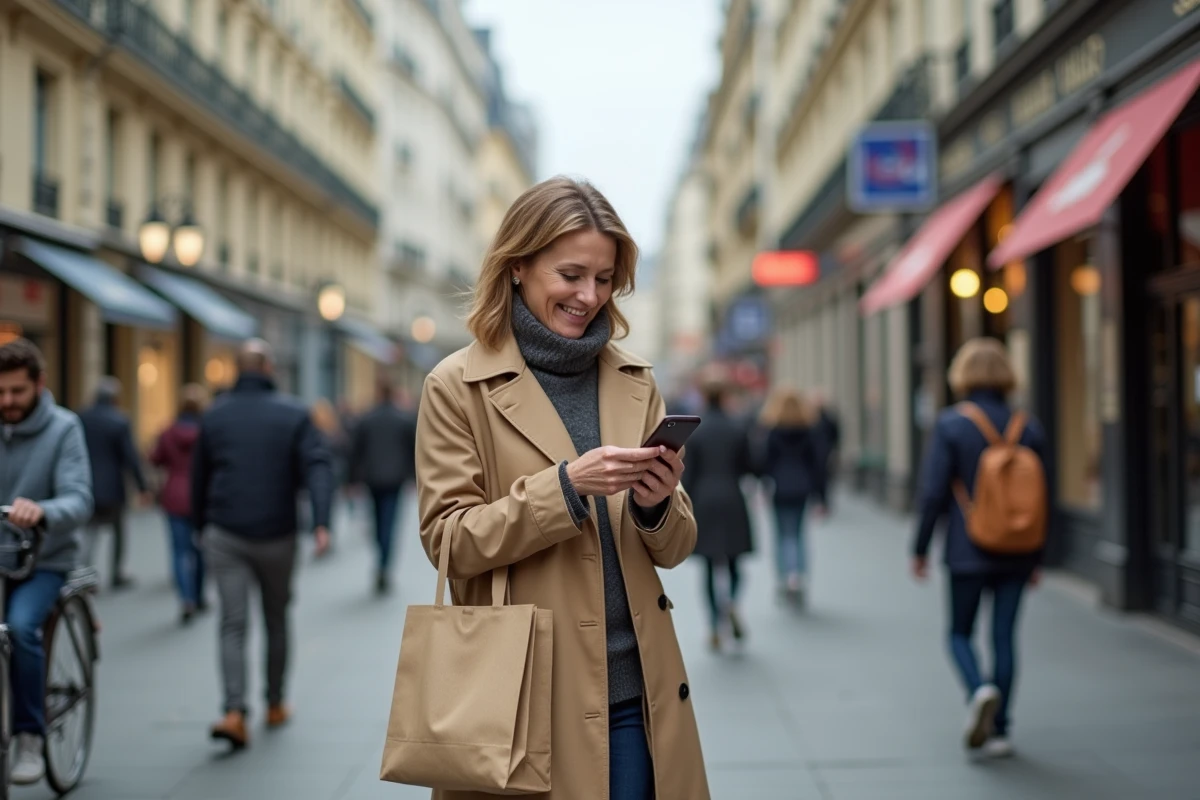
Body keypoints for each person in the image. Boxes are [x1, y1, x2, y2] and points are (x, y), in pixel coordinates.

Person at [415, 177, 709, 800]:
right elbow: (448, 540)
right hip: (518, 699)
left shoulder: (636, 381)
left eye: (604, 280)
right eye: (571, 274)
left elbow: (676, 546)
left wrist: (657, 505)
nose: (589, 296)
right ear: (519, 266)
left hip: (635, 694)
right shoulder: (456, 386)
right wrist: (566, 489)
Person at [192, 339, 333, 750]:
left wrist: (200, 525)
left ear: (237, 370)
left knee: (232, 624)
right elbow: (318, 466)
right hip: (278, 533)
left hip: (225, 531)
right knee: (276, 618)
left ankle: (234, 711)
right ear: (270, 369)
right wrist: (321, 521)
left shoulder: (214, 415)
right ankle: (274, 702)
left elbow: (200, 475)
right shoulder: (293, 413)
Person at [911, 338, 1048, 759]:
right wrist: (1039, 555)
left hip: (967, 547)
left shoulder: (952, 424)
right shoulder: (1028, 426)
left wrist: (919, 548)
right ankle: (1002, 729)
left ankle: (978, 689)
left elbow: (934, 492)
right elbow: (1045, 496)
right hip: (1019, 549)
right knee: (1005, 636)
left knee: (959, 633)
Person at [0, 339, 93, 785]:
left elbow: (79, 497)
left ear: (39, 384)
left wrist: (43, 511)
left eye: (17, 392)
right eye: (0, 392)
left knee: (21, 628)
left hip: (43, 560)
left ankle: (29, 735)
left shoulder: (64, 428)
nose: (7, 402)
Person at [682, 377, 755, 651]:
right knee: (735, 565)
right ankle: (732, 604)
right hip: (732, 498)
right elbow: (751, 465)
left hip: (704, 500)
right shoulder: (737, 428)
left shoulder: (696, 432)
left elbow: (688, 474)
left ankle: (714, 624)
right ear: (724, 396)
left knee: (710, 568)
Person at [78, 376, 149, 588]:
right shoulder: (119, 420)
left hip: (87, 484)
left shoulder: (82, 417)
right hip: (113, 487)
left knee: (90, 532)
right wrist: (142, 486)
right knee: (118, 532)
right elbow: (130, 456)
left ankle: (84, 575)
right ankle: (116, 573)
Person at [150, 383, 210, 624]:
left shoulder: (168, 432)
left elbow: (155, 459)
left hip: (174, 495)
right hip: (200, 495)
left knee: (179, 551)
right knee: (200, 549)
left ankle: (186, 598)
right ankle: (198, 595)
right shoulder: (207, 432)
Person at [349, 381, 417, 595]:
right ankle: (384, 562)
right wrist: (415, 477)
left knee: (377, 519)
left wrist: (351, 480)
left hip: (372, 478)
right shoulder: (403, 419)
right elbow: (413, 450)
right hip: (395, 479)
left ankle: (381, 554)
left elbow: (355, 451)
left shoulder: (366, 419)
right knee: (390, 521)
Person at [761, 388, 826, 605]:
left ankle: (785, 578)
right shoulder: (809, 430)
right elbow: (818, 464)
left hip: (779, 487)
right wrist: (821, 496)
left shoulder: (773, 430)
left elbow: (765, 462)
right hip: (802, 487)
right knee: (798, 534)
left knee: (781, 534)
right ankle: (797, 575)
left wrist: (764, 485)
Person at [809, 387, 841, 509]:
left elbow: (835, 435)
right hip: (813, 454)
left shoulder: (828, 418)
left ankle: (823, 502)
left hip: (825, 453)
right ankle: (816, 501)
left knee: (825, 478)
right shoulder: (809, 417)